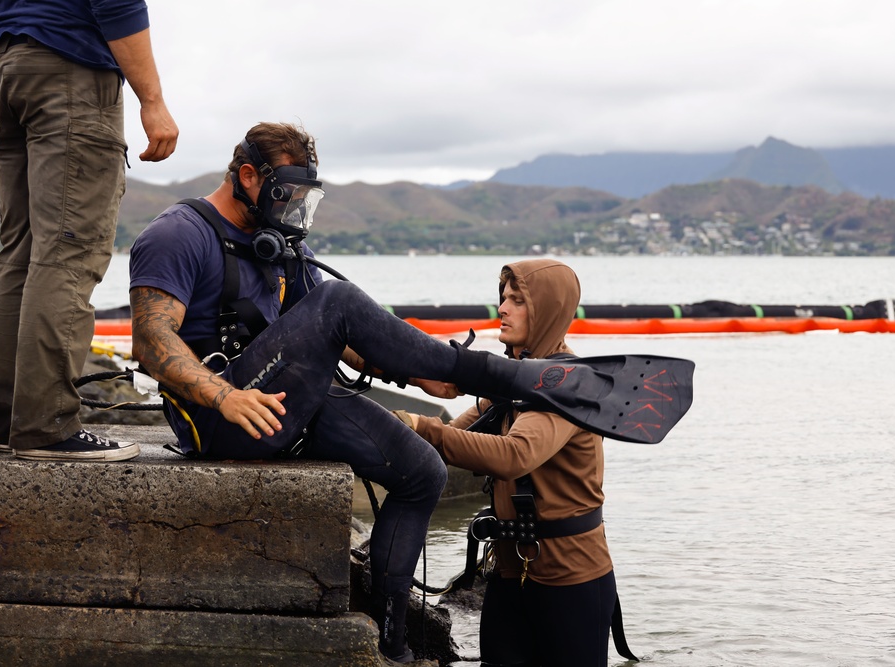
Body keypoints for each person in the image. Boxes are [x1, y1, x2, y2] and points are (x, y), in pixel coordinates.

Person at [127, 123, 658, 662]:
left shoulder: (279, 244)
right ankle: (486, 372)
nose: (295, 210)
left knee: (422, 472)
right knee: (335, 298)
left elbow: (351, 337)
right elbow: (150, 341)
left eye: (306, 198)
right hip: (224, 416)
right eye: (288, 195)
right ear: (247, 177)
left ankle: (391, 642)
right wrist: (224, 397)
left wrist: (418, 377)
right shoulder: (179, 233)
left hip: (280, 406)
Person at [0, 0, 178, 462]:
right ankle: (45, 426)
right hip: (69, 69)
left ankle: (9, 422)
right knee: (67, 253)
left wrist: (3, 65)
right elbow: (117, 3)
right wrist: (153, 100)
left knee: (20, 253)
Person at [397, 259, 626, 667]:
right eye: (503, 297)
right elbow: (458, 434)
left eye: (518, 301)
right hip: (509, 572)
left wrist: (423, 427)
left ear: (547, 312)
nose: (503, 308)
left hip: (572, 580)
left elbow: (514, 456)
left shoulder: (570, 386)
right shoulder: (513, 383)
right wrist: (395, 424)